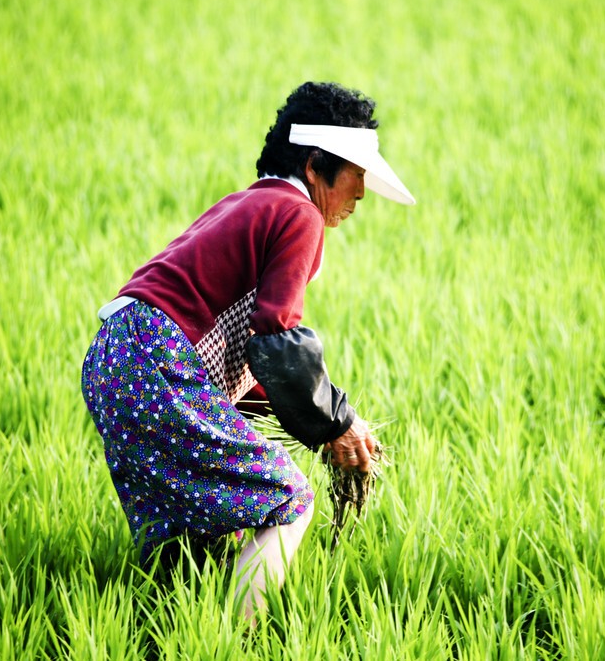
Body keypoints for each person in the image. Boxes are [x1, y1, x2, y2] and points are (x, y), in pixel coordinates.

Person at [80, 81, 415, 621]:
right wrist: (336, 423)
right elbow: (277, 339)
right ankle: (233, 644)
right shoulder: (299, 215)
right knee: (288, 500)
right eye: (356, 175)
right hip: (157, 357)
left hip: (115, 359)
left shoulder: (251, 203)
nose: (360, 194)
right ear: (314, 167)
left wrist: (317, 427)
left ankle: (167, 630)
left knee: (186, 541)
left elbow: (244, 355)